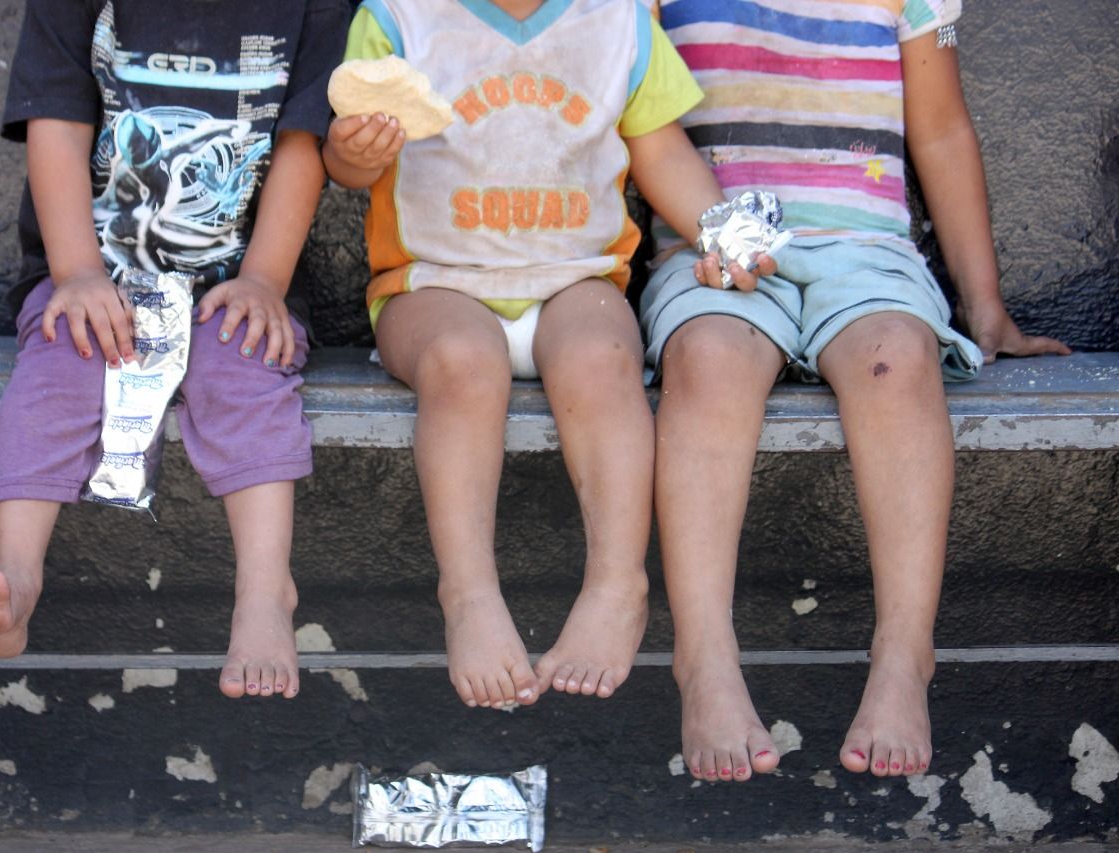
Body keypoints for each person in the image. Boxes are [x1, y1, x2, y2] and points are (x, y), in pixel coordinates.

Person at [641, 0, 1071, 780]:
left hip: (868, 253)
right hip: (715, 254)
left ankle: (904, 654)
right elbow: (637, 117)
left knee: (897, 360)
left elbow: (940, 131)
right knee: (706, 359)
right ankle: (704, 657)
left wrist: (985, 307)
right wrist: (716, 238)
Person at [323, 0, 763, 710]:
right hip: (434, 283)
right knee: (461, 362)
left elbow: (658, 150)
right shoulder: (399, 17)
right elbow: (344, 161)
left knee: (603, 360)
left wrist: (724, 235)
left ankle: (617, 584)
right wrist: (354, 153)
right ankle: (469, 593)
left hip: (576, 280)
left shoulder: (620, 21)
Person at [0, 0, 349, 700]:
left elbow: (300, 146)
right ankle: (16, 577)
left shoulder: (312, 7)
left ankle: (264, 592)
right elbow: (57, 126)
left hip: (235, 282)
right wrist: (76, 272)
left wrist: (264, 282)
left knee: (245, 366)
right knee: (58, 364)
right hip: (92, 277)